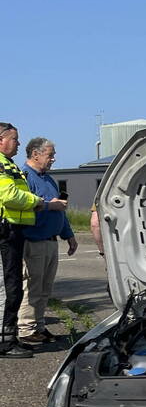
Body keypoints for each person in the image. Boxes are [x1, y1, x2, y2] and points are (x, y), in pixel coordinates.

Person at [0, 123, 66, 358]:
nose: (18, 143)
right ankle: (14, 336)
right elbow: (9, 196)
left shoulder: (13, 167)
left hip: (23, 234)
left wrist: (67, 233)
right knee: (16, 288)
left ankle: (25, 332)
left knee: (30, 288)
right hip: (16, 234)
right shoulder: (12, 169)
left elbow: (59, 209)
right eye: (14, 139)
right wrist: (40, 203)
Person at [19, 138, 77, 344]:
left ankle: (39, 326)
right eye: (50, 155)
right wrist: (48, 205)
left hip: (51, 241)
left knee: (45, 288)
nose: (53, 159)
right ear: (35, 154)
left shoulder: (49, 179)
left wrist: (68, 234)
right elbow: (23, 204)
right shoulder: (25, 177)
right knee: (33, 287)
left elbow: (60, 209)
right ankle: (26, 329)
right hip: (34, 240)